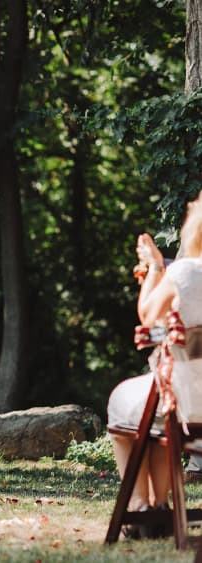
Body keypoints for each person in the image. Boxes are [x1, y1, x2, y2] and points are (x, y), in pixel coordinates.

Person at [107, 198, 202, 538]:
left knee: (129, 404)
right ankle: (159, 506)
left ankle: (139, 507)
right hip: (189, 399)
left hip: (187, 402)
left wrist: (155, 268)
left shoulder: (186, 272)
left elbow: (148, 317)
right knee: (159, 412)